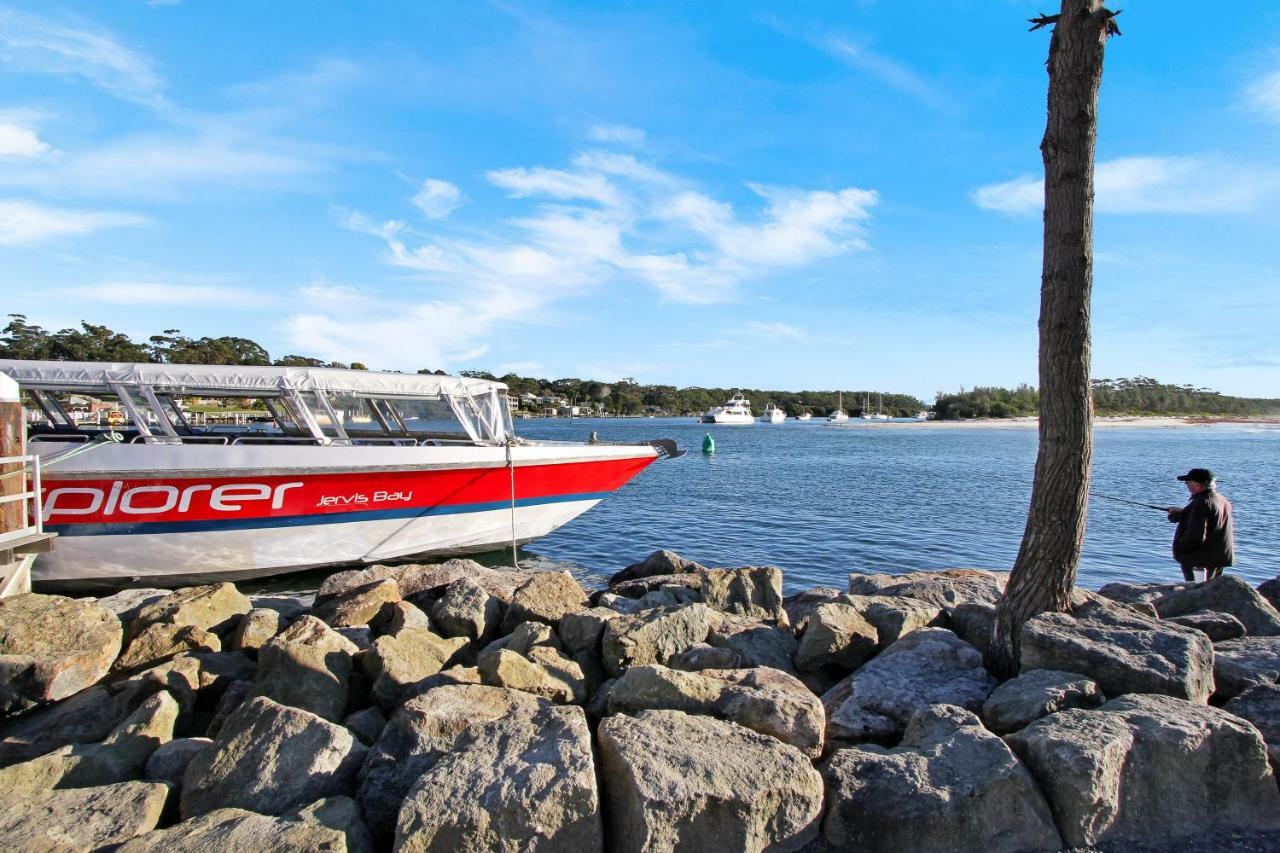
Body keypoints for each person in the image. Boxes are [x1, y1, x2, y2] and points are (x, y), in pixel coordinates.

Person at [1165, 468, 1234, 583]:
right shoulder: (1221, 500)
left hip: (1200, 561)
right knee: (1210, 592)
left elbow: (1196, 536)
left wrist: (1180, 547)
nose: (1186, 485)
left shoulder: (1202, 502)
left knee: (1197, 591)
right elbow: (1211, 521)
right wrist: (1183, 514)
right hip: (1218, 557)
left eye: (1188, 482)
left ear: (1197, 484)